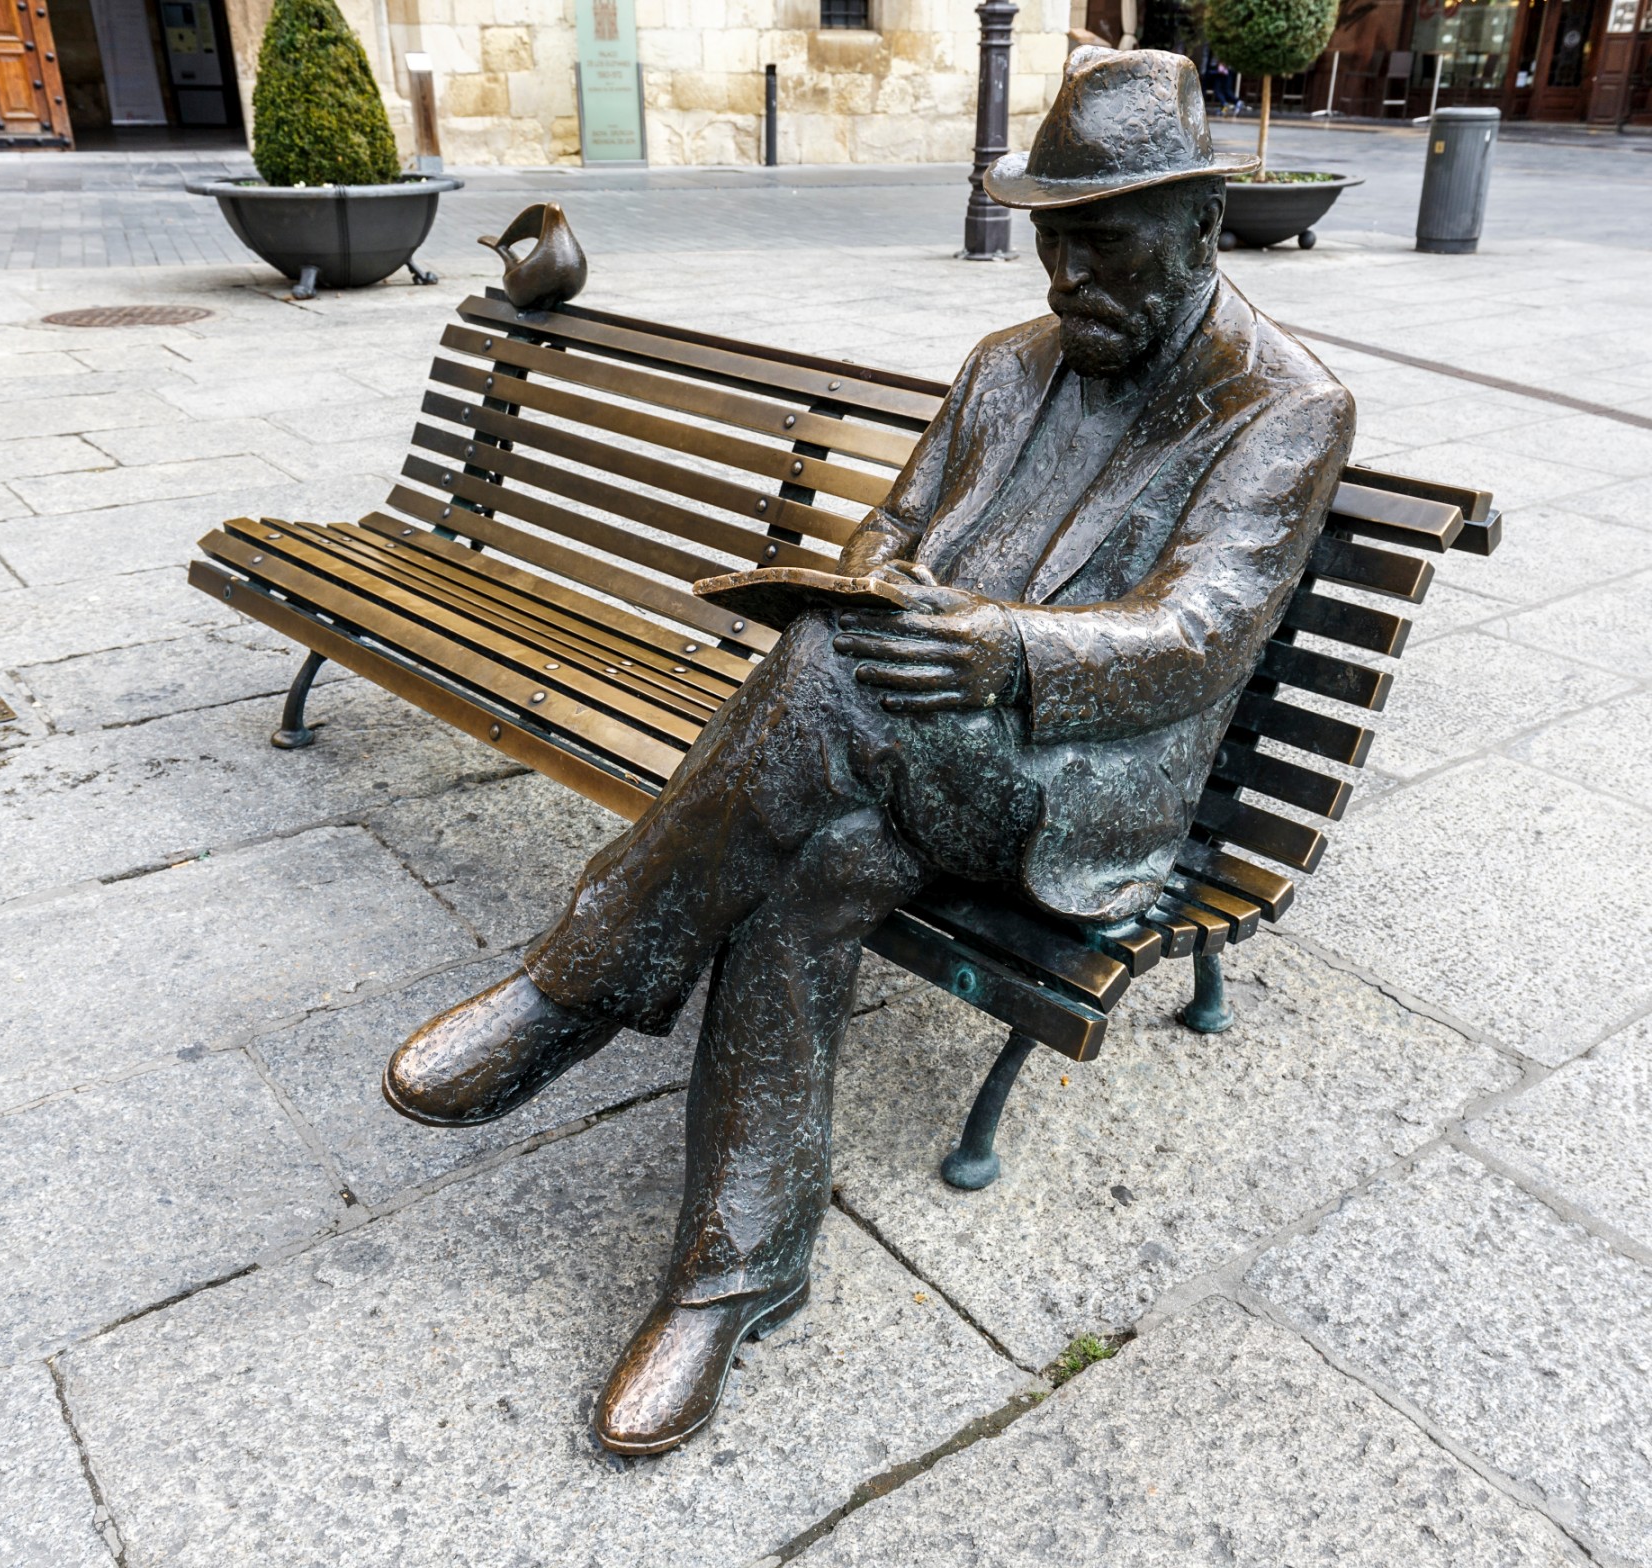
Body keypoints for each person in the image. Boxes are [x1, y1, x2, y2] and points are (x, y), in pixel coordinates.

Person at [383, 47, 1354, 1456]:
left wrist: (997, 651)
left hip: (1068, 789)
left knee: (827, 671)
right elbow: (887, 534)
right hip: (896, 747)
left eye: (1104, 248)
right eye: (1051, 245)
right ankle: (733, 1276)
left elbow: (1200, 635)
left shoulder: (1284, 405)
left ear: (1202, 228)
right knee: (810, 866)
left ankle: (573, 986)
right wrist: (886, 593)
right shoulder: (1007, 365)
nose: (1067, 281)